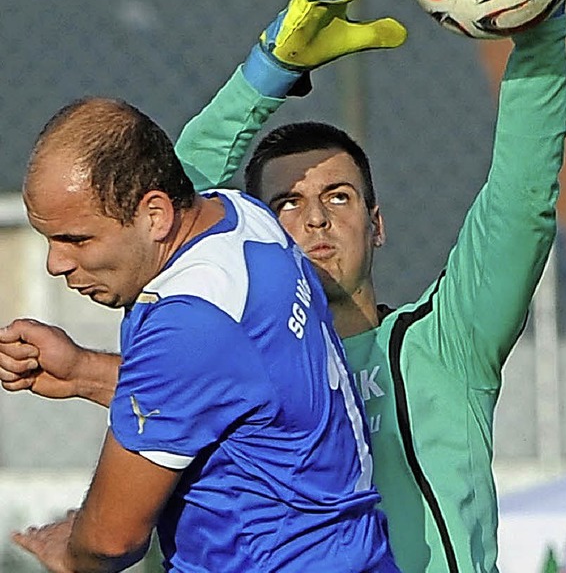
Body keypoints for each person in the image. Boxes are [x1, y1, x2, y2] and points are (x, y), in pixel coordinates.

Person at [0, 0, 566, 571]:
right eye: (287, 203)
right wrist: (265, 72)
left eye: (338, 196)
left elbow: (521, 201)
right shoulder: (247, 330)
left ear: (378, 221)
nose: (315, 219)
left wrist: (541, 20)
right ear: (258, 229)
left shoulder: (442, 347)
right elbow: (162, 206)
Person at [2, 98, 401, 572]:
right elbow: (230, 393)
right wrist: (83, 373)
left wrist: (67, 553)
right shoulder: (242, 218)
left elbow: (111, 541)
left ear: (155, 215)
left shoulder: (190, 322)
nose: (56, 263)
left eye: (77, 240)